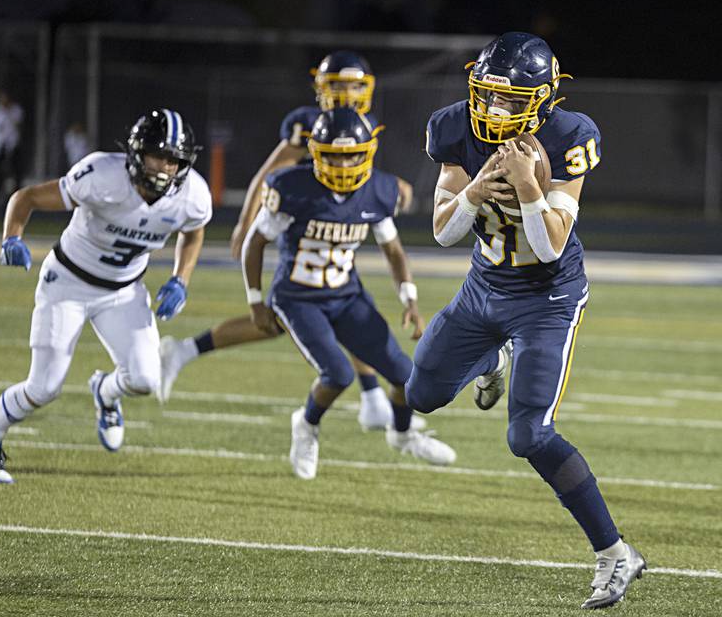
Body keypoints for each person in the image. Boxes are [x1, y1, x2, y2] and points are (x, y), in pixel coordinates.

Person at [405, 32, 646, 609]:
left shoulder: (570, 136)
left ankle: (615, 554)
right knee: (420, 394)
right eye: (488, 96)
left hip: (547, 300)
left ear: (542, 100)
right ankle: (490, 359)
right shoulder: (453, 128)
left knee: (527, 435)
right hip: (482, 287)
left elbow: (548, 248)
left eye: (511, 101)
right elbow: (442, 231)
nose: (494, 110)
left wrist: (530, 186)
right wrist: (476, 192)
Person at [158, 51, 419, 433]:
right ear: (322, 89)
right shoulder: (309, 125)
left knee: (333, 308)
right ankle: (371, 398)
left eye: (353, 85)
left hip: (339, 228)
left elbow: (360, 178)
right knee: (312, 315)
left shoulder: (366, 124)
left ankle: (183, 351)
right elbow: (271, 172)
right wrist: (248, 221)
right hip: (303, 227)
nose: (346, 93)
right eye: (338, 85)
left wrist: (389, 189)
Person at [0, 108, 211, 484]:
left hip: (124, 291)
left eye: (174, 159)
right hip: (68, 284)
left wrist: (181, 279)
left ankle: (105, 392)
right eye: (158, 155)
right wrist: (11, 237)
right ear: (136, 152)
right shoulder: (101, 175)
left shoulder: (192, 195)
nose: (165, 167)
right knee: (44, 387)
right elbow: (26, 197)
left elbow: (193, 232)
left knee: (146, 379)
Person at [243, 107, 456, 479]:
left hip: (346, 296)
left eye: (352, 156)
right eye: (335, 157)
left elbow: (393, 250)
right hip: (297, 298)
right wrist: (256, 301)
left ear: (369, 152)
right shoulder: (291, 188)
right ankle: (306, 426)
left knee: (408, 377)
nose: (344, 167)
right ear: (316, 153)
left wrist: (409, 299)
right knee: (337, 374)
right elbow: (254, 244)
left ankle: (402, 435)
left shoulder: (378, 190)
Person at [0, 90, 24, 203]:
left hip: (13, 143)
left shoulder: (16, 110)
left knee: (15, 170)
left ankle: (17, 193)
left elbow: (19, 125)